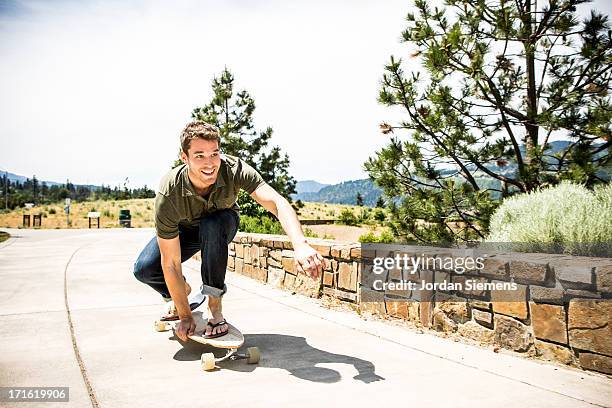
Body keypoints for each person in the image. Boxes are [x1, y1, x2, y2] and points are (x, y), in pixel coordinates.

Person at [133, 121, 323, 342]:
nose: (210, 163)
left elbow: (276, 202)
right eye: (199, 155)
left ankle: (215, 309)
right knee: (144, 269)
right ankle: (181, 293)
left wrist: (300, 244)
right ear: (184, 158)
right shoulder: (170, 191)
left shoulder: (233, 169)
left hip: (221, 224)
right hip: (184, 232)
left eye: (214, 154)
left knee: (212, 223)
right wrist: (185, 316)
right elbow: (171, 263)